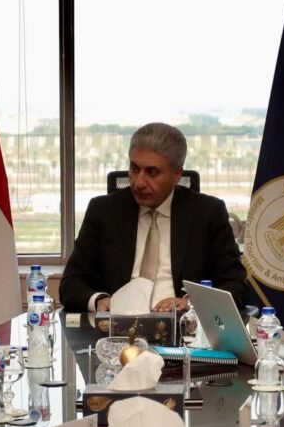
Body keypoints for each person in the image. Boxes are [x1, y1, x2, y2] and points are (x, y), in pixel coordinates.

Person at [59, 122, 248, 313]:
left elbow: (236, 286)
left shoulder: (208, 213)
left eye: (152, 172)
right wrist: (99, 300)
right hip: (117, 325)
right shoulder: (104, 211)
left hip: (182, 325)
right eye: (134, 169)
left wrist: (192, 303)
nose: (139, 183)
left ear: (177, 174)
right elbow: (71, 283)